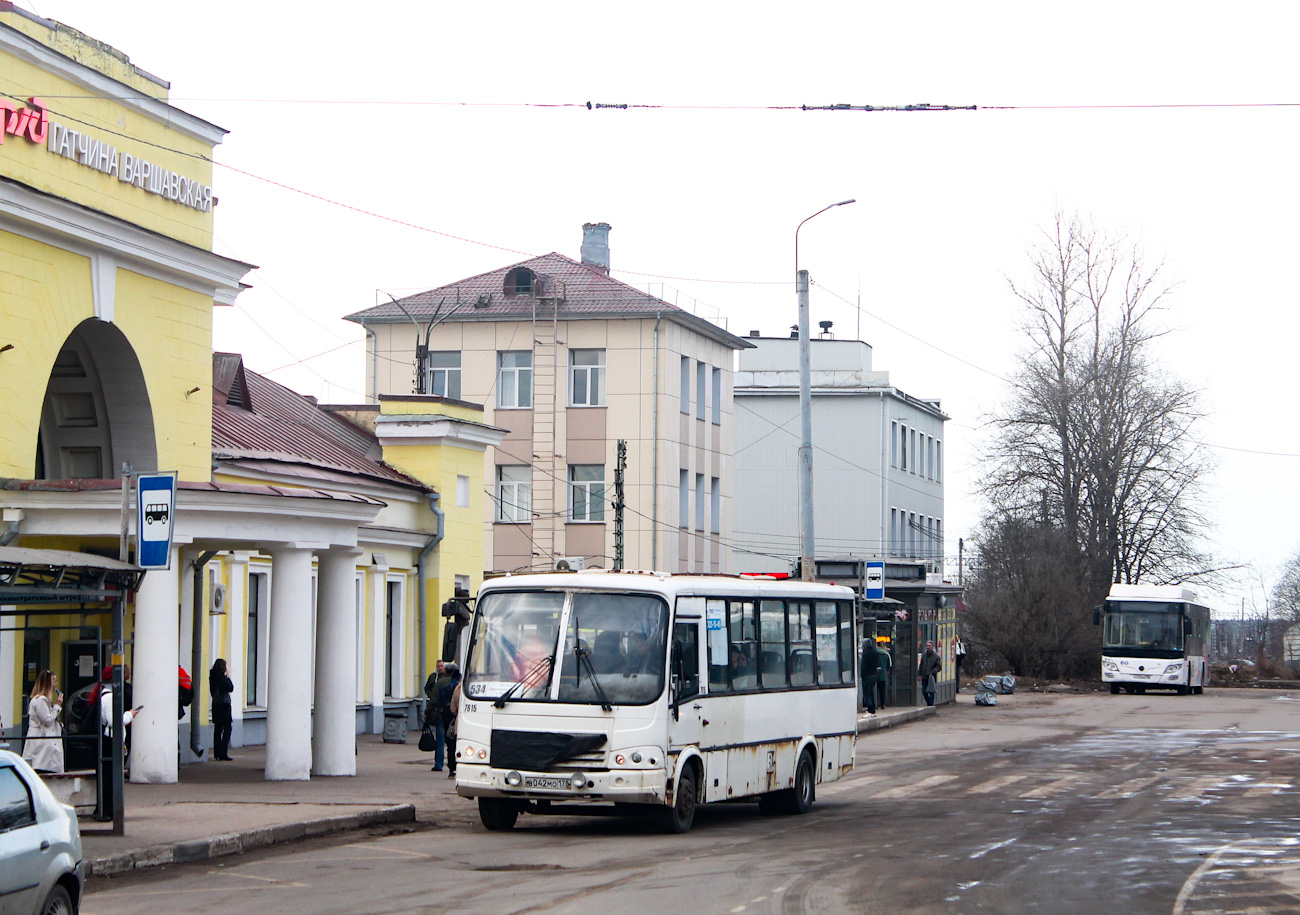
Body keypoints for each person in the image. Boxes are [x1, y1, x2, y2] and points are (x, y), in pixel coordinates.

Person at [96, 666, 142, 820]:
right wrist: (130, 714)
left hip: (109, 739)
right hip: (111, 740)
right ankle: (108, 811)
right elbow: (115, 721)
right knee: (111, 776)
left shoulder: (104, 695)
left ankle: (106, 809)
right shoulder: (109, 697)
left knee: (109, 776)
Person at [23, 670, 64, 774]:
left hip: (44, 747)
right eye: (54, 681)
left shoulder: (45, 701)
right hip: (41, 747)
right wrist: (57, 706)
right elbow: (47, 720)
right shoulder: (40, 700)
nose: (56, 685)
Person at [424, 660, 460, 772]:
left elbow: (434, 699)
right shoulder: (461, 683)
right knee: (457, 740)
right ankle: (457, 765)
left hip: (443, 714)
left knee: (441, 739)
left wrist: (427, 711)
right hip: (458, 716)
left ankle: (439, 764)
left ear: (446, 671)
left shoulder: (440, 682)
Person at [210, 659, 234, 761]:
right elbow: (230, 687)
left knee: (218, 730)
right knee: (227, 729)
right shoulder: (222, 677)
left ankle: (217, 753)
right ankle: (223, 752)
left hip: (216, 705)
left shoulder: (212, 677)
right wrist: (227, 677)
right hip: (224, 705)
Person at [445, 680, 462, 779]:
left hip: (459, 723)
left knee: (453, 747)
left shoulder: (457, 689)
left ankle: (452, 769)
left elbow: (452, 708)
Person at [919, 640, 942, 707]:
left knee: (931, 691)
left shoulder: (936, 656)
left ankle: (930, 705)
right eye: (927, 646)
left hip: (931, 677)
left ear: (932, 646)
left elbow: (939, 667)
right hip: (924, 677)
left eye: (929, 646)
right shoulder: (924, 656)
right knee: (924, 692)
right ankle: (929, 703)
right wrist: (919, 674)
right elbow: (921, 665)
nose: (927, 647)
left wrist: (933, 671)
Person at [859, 639, 879, 714]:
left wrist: (862, 674)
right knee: (871, 692)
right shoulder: (875, 652)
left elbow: (864, 666)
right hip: (874, 675)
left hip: (867, 675)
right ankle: (872, 707)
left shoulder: (865, 653)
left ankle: (870, 708)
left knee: (867, 693)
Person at [876, 642, 892, 710]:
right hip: (883, 675)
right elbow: (889, 665)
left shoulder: (875, 653)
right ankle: (882, 704)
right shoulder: (886, 654)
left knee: (874, 690)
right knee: (882, 691)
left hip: (875, 674)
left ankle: (875, 704)